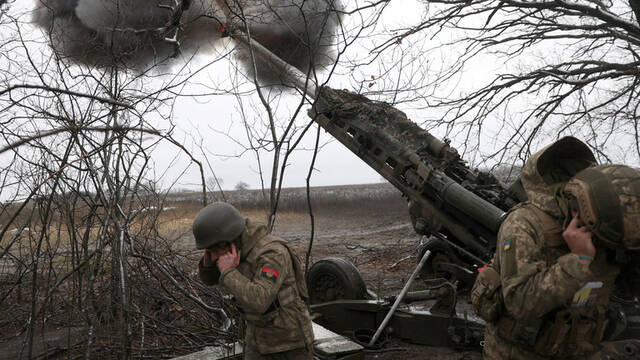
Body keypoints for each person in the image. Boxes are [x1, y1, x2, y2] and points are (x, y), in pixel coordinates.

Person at [471, 137, 640, 359]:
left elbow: (626, 289)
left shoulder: (610, 227)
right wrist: (579, 260)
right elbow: (520, 303)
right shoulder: (524, 223)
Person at [194, 202, 314, 360]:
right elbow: (211, 280)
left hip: (289, 341)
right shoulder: (234, 249)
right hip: (257, 338)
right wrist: (208, 264)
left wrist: (228, 272)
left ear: (229, 240)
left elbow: (260, 300)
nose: (216, 257)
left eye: (215, 250)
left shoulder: (272, 253)